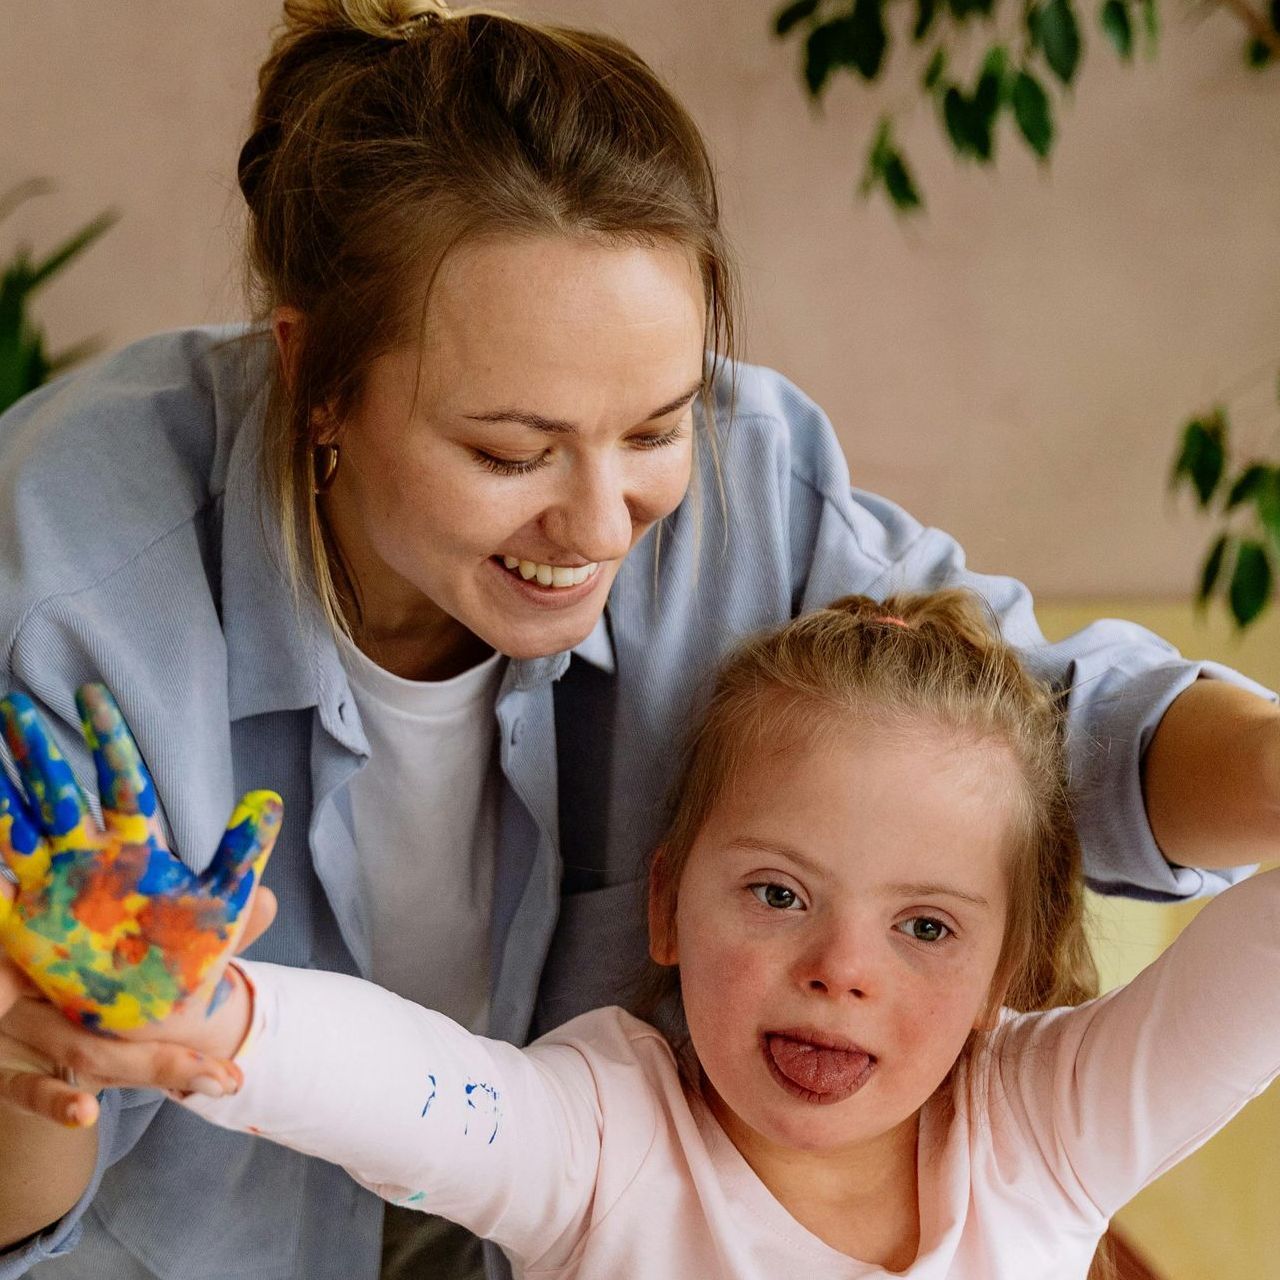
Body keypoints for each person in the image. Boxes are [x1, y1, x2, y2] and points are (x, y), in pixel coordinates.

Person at [0, 1, 1278, 1278]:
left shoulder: (1034, 1125)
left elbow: (1028, 735)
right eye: (511, 450)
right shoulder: (60, 599)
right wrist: (122, 1021)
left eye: (658, 426)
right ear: (313, 374)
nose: (603, 524)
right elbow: (412, 1093)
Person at [5, 594, 1278, 1280]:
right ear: (665, 903)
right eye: (777, 892)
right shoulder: (607, 1138)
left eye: (927, 925)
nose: (841, 966)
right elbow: (419, 1096)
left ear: (1008, 963)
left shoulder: (1042, 1127)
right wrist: (218, 1015)